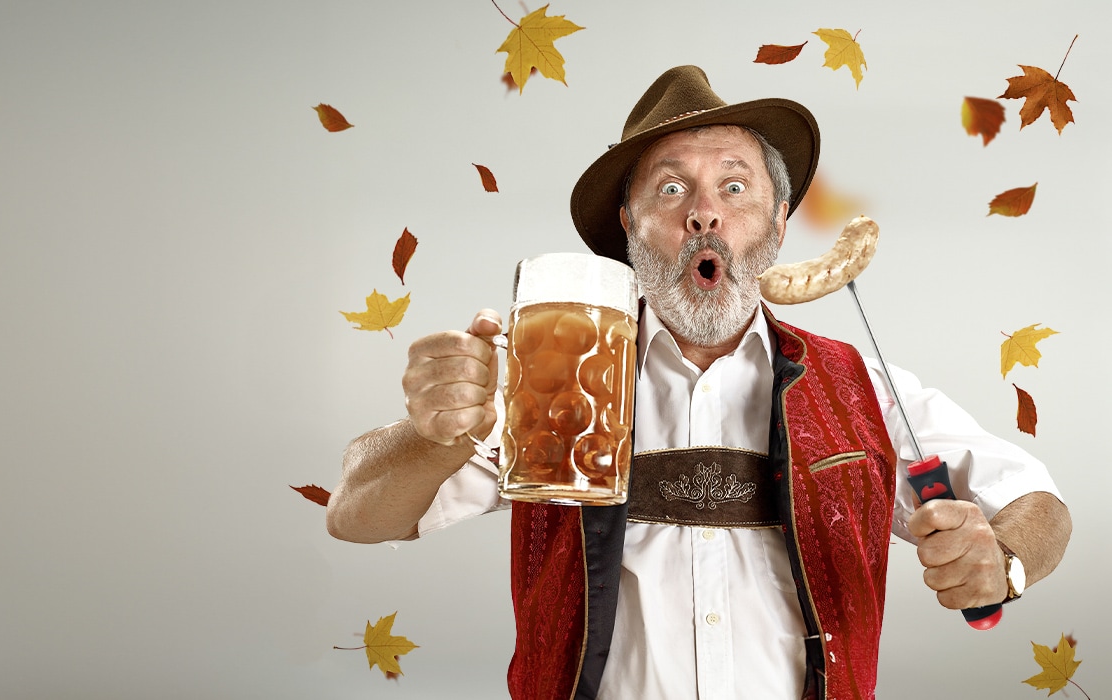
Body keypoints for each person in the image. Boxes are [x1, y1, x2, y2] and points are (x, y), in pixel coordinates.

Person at [325, 65, 1071, 700]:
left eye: (736, 188)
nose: (705, 213)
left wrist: (999, 563)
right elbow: (356, 510)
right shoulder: (547, 382)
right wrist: (432, 435)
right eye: (673, 190)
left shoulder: (859, 389)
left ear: (778, 223)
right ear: (629, 225)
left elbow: (1040, 504)